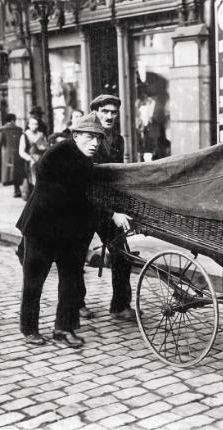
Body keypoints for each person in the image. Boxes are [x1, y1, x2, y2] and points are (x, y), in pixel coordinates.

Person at [16, 112, 132, 347]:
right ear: (76, 135)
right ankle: (29, 328)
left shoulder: (84, 158)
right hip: (41, 228)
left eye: (98, 138)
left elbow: (85, 195)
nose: (95, 143)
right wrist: (111, 214)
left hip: (68, 231)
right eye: (90, 137)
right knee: (34, 281)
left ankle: (63, 329)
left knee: (71, 280)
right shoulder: (57, 156)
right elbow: (77, 198)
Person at [79, 94, 136, 322]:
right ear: (95, 112)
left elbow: (117, 174)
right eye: (105, 111)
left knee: (122, 254)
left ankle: (119, 306)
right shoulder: (86, 136)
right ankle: (76, 304)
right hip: (85, 204)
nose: (110, 116)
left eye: (114, 112)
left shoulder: (118, 140)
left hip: (108, 207)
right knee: (75, 256)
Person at [0, 113, 25, 197]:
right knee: (17, 171)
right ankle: (17, 189)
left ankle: (16, 190)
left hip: (8, 153)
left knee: (10, 172)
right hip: (19, 152)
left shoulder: (2, 130)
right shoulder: (19, 130)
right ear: (13, 120)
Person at [19, 116, 48, 188]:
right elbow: (21, 152)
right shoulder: (25, 135)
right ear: (28, 125)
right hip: (30, 161)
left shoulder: (41, 135)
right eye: (32, 124)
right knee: (32, 181)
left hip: (41, 160)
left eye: (36, 124)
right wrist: (30, 159)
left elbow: (45, 148)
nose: (35, 126)